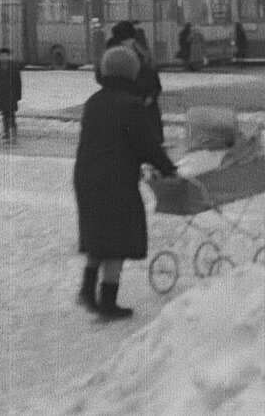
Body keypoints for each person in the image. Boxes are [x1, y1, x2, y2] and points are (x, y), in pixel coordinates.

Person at [74, 46, 177, 320]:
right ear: (132, 72)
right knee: (117, 241)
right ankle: (108, 302)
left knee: (99, 235)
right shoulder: (130, 105)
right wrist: (169, 169)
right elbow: (148, 146)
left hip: (86, 177)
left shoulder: (94, 101)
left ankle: (87, 288)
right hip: (115, 181)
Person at [100, 21, 164, 146]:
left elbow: (154, 82)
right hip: (132, 110)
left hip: (142, 109)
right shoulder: (118, 54)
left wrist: (151, 96)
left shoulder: (140, 52)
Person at [0, 47, 22, 144]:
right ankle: (6, 132)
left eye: (6, 56)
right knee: (4, 114)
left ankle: (14, 133)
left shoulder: (14, 67)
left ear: (9, 56)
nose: (4, 58)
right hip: (1, 95)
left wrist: (18, 95)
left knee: (11, 114)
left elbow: (18, 82)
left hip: (11, 95)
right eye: (2, 56)